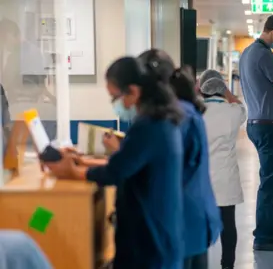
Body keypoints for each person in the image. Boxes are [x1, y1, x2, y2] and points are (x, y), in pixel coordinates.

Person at [44, 56, 185, 269]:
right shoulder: (160, 121)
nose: (116, 105)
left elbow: (116, 171)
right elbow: (126, 163)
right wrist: (82, 163)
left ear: (134, 92)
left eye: (114, 98)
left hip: (150, 242)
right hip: (158, 236)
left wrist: (74, 172)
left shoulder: (149, 127)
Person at [138, 49, 222, 269]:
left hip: (182, 220)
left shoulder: (176, 118)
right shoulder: (187, 111)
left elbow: (162, 164)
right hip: (195, 217)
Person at [238, 14, 273, 252]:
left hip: (255, 123)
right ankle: (264, 237)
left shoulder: (247, 53)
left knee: (272, 180)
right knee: (271, 183)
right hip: (269, 126)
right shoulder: (265, 54)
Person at [200, 73, 246, 269]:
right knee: (228, 225)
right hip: (226, 178)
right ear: (223, 91)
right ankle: (227, 265)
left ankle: (199, 263)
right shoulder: (233, 112)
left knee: (201, 225)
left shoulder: (197, 113)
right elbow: (241, 106)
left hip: (202, 179)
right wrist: (228, 91)